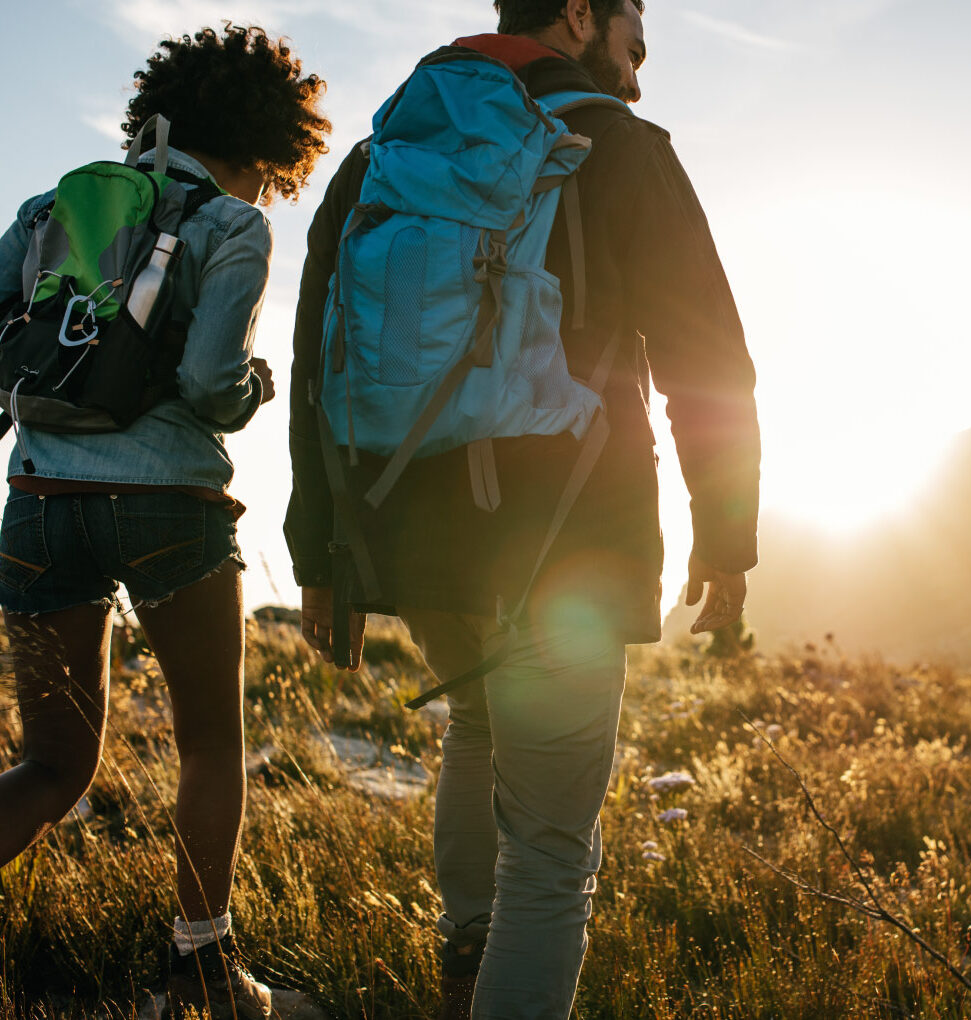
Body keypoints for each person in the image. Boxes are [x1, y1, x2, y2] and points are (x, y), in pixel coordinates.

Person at [283, 1, 760, 1017]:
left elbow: (316, 361)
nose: (644, 40)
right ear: (580, 16)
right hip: (565, 540)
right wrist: (726, 538)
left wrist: (322, 554)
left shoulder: (383, 154)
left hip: (405, 529)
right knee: (550, 853)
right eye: (634, 15)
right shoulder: (618, 146)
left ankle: (464, 969)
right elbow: (706, 362)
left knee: (478, 726)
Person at [0, 25, 329, 1020]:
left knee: (56, 763)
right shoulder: (231, 223)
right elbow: (207, 384)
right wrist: (252, 390)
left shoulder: (53, 206)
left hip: (38, 506)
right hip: (171, 510)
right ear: (269, 141)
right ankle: (199, 973)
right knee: (209, 749)